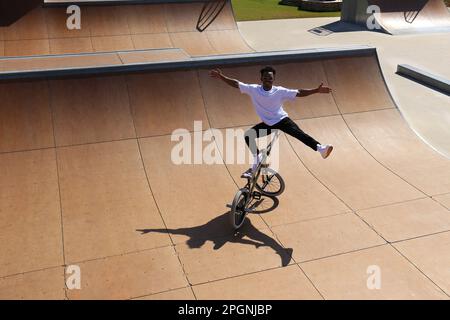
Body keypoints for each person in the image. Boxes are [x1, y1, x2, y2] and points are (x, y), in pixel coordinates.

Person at [209, 66, 334, 177]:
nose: (267, 80)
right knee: (248, 135)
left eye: (270, 78)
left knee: (300, 134)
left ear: (273, 79)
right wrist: (221, 77)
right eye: (265, 78)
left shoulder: (279, 91)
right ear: (261, 79)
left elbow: (299, 92)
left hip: (282, 120)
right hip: (268, 124)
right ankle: (258, 159)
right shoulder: (253, 89)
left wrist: (316, 90)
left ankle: (320, 148)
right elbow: (237, 84)